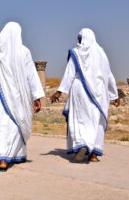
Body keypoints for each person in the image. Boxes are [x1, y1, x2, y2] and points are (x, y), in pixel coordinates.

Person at [51, 28, 120, 162]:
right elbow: (109, 75)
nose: (79, 41)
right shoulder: (102, 54)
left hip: (80, 90)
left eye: (80, 39)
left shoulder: (77, 53)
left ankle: (83, 143)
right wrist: (114, 95)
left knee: (80, 119)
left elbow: (70, 73)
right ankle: (94, 153)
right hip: (100, 93)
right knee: (97, 120)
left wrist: (60, 91)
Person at [0, 22, 44, 171]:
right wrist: (37, 96)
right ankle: (15, 154)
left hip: (0, 94)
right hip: (19, 96)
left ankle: (2, 158)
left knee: (0, 125)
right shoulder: (24, 52)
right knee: (17, 124)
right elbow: (31, 75)